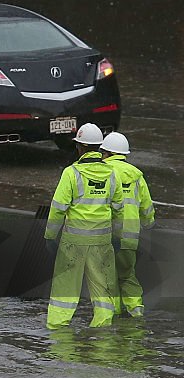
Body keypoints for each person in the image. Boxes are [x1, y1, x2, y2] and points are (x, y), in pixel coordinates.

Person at [44, 123, 124, 328]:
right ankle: (103, 332)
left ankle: (58, 331)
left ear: (79, 147)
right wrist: (117, 235)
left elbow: (58, 209)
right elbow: (119, 208)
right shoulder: (112, 174)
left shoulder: (71, 173)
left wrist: (50, 236)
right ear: (99, 147)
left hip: (74, 242)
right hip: (101, 241)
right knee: (102, 286)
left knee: (66, 287)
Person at [100, 131, 155, 317]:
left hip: (106, 236)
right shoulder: (136, 176)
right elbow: (147, 207)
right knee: (127, 276)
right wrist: (148, 224)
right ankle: (136, 312)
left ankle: (112, 315)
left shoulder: (102, 172)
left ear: (106, 152)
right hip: (129, 237)